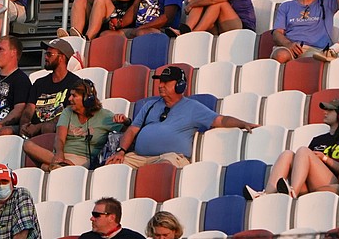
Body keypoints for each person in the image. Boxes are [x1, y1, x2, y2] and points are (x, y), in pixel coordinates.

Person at [105, 67, 257, 168]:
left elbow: (220, 120)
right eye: (160, 81)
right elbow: (132, 130)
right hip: (140, 157)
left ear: (180, 85)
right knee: (111, 167)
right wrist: (120, 151)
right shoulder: (150, 105)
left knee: (162, 168)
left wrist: (243, 123)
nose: (160, 85)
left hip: (170, 158)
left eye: (166, 82)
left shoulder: (193, 107)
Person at [243, 98, 339, 199]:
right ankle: (267, 195)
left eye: (330, 110)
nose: (325, 112)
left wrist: (324, 158)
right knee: (287, 154)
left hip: (332, 184)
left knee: (303, 151)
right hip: (308, 184)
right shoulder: (318, 140)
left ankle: (292, 191)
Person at [22, 79, 129, 171]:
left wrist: (126, 121)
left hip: (83, 159)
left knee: (56, 167)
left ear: (87, 99)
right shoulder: (67, 111)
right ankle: (56, 166)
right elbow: (60, 138)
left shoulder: (105, 116)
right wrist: (59, 153)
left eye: (74, 96)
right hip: (59, 157)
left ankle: (48, 167)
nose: (69, 99)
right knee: (27, 145)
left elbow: (128, 131)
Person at [19, 39, 81, 138]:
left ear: (61, 58)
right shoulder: (39, 83)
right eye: (45, 54)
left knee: (47, 128)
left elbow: (68, 114)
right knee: (4, 132)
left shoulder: (76, 83)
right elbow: (29, 109)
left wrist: (39, 127)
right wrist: (24, 124)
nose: (45, 57)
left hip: (56, 132)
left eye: (49, 54)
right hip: (34, 129)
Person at [78, 198, 145, 239]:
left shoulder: (134, 238)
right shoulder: (86, 238)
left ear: (111, 218)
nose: (92, 218)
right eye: (93, 214)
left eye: (96, 215)